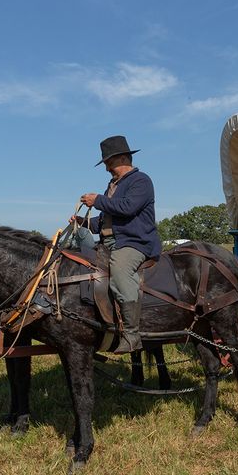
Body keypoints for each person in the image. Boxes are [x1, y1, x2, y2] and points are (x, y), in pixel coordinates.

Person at [74, 135, 161, 354]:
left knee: (121, 272)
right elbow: (106, 220)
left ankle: (132, 335)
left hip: (134, 243)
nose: (106, 168)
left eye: (109, 163)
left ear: (123, 158)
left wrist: (98, 201)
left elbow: (128, 207)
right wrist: (82, 222)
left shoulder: (141, 181)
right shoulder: (112, 185)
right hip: (110, 243)